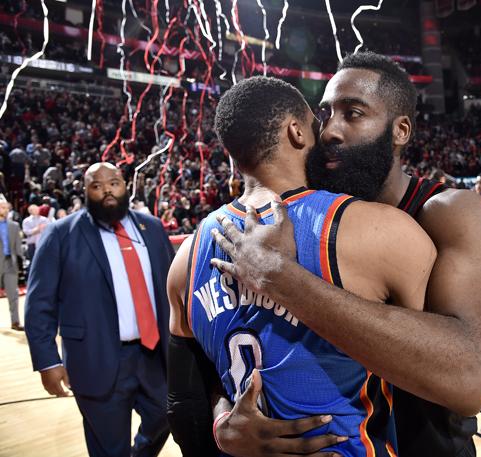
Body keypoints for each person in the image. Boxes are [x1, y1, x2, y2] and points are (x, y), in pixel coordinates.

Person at [211, 52, 481, 456]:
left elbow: (473, 377)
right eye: (325, 114)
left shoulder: (449, 212)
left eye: (353, 114)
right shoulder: (295, 213)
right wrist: (224, 420)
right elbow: (225, 339)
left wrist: (286, 280)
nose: (331, 131)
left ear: (400, 130)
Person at [166, 76, 436, 457]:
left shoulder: (186, 258)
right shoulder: (381, 230)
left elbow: (182, 405)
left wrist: (221, 424)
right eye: (316, 123)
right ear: (296, 132)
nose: (326, 133)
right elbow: (436, 369)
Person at [25, 162, 174, 457]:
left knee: (167, 416)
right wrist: (47, 362)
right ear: (85, 192)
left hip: (153, 356)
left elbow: (171, 290)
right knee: (108, 447)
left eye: (114, 182)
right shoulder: (61, 234)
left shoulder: (153, 228)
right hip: (97, 358)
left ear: (125, 186)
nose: (107, 190)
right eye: (97, 185)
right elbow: (39, 303)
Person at [0, 199, 23, 331]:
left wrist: (19, 263)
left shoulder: (14, 226)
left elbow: (18, 246)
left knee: (13, 295)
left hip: (10, 262)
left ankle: (15, 322)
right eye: (2, 207)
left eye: (6, 207)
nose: (5, 209)